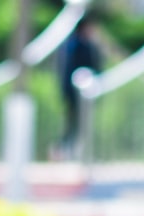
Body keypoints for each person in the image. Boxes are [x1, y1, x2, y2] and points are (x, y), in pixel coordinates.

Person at [56, 15, 100, 159]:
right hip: (73, 91)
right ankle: (64, 151)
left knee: (79, 122)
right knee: (73, 121)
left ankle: (75, 151)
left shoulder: (83, 44)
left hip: (83, 91)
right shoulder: (75, 45)